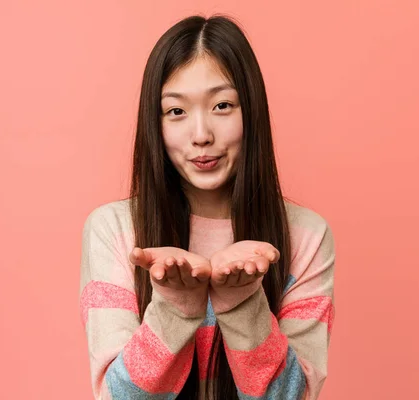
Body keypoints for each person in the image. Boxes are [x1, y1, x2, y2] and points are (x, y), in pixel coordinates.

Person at [79, 14, 335, 400]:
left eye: (222, 105)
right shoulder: (115, 230)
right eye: (176, 111)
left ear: (252, 112)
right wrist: (176, 307)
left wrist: (242, 302)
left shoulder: (306, 236)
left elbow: (293, 397)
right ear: (156, 124)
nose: (201, 135)